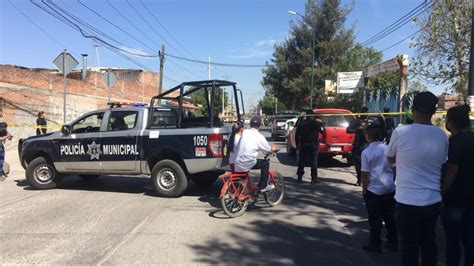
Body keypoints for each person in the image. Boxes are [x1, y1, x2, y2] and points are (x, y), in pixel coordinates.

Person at [386, 91, 448, 266]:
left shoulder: (401, 132)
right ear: (434, 112)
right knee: (429, 243)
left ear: (412, 110)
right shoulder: (441, 135)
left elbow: (390, 158)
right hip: (433, 200)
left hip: (407, 201)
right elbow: (443, 161)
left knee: (409, 247)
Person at [441, 105, 474, 266]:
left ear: (452, 123)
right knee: (470, 240)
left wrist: (441, 193)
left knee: (453, 241)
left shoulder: (454, 142)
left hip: (455, 199)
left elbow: (451, 172)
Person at [361, 119, 397, 253]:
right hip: (389, 188)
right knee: (390, 217)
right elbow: (394, 168)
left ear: (368, 136)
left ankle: (375, 243)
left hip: (373, 189)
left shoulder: (366, 152)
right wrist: (392, 181)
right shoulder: (388, 149)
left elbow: (365, 173)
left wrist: (364, 189)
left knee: (374, 218)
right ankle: (393, 241)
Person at [234, 117, 278, 192]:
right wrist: (273, 149)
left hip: (237, 162)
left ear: (250, 125)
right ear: (260, 125)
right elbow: (268, 150)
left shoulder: (245, 132)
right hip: (248, 162)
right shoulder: (259, 136)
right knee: (265, 164)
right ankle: (263, 186)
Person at [295, 110, 325, 184]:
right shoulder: (315, 123)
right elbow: (322, 131)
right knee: (313, 161)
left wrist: (297, 144)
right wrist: (321, 123)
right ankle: (313, 178)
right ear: (312, 115)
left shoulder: (301, 123)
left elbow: (297, 134)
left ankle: (299, 177)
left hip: (303, 144)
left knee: (302, 161)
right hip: (313, 144)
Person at [347, 106, 369, 186]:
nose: (366, 114)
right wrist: (357, 129)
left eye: (367, 112)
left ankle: (366, 180)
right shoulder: (355, 121)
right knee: (358, 163)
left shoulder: (370, 122)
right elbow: (348, 130)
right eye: (364, 112)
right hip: (358, 145)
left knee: (367, 164)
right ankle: (359, 180)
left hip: (368, 145)